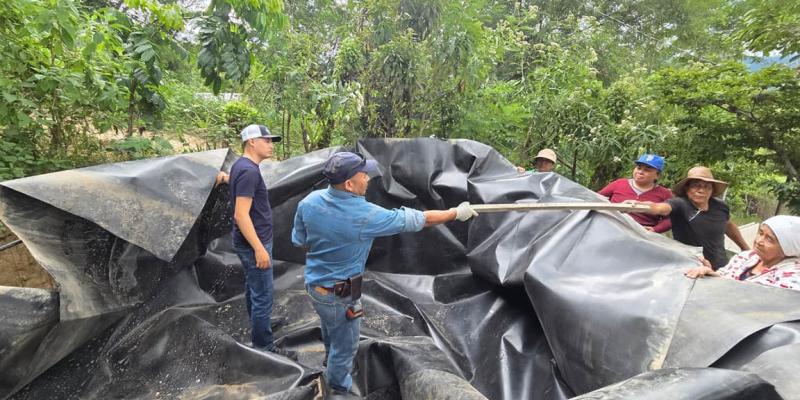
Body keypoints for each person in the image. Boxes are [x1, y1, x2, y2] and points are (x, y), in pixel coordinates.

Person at [291, 152, 477, 397]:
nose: (368, 179)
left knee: (330, 325)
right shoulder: (365, 215)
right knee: (346, 345)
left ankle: (331, 360)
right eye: (363, 175)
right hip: (342, 291)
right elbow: (419, 219)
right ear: (349, 184)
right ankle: (337, 390)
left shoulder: (310, 201)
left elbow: (299, 240)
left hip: (315, 286)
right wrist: (455, 213)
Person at [228, 124, 295, 359]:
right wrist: (259, 248)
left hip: (249, 240)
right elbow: (240, 214)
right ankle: (264, 347)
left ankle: (259, 325)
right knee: (263, 295)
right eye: (265, 140)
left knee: (253, 288)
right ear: (251, 143)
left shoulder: (240, 166)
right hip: (253, 243)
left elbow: (239, 187)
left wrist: (225, 178)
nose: (270, 145)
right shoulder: (249, 171)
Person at [632, 166, 749, 270]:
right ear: (687, 188)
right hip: (689, 267)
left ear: (712, 190)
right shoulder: (680, 204)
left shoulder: (720, 206)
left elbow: (728, 225)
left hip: (720, 268)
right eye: (696, 186)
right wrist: (635, 205)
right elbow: (659, 208)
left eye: (706, 187)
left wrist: (746, 249)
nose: (701, 190)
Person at [685, 216, 800, 290]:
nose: (759, 241)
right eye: (760, 233)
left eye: (770, 239)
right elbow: (725, 276)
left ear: (787, 248)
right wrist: (711, 273)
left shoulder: (792, 276)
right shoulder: (746, 256)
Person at [598, 154, 672, 233]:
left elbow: (672, 217)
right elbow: (596, 199)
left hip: (641, 235)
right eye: (638, 168)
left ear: (657, 175)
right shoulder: (619, 183)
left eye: (647, 170)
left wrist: (655, 229)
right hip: (610, 228)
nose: (640, 172)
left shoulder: (664, 194)